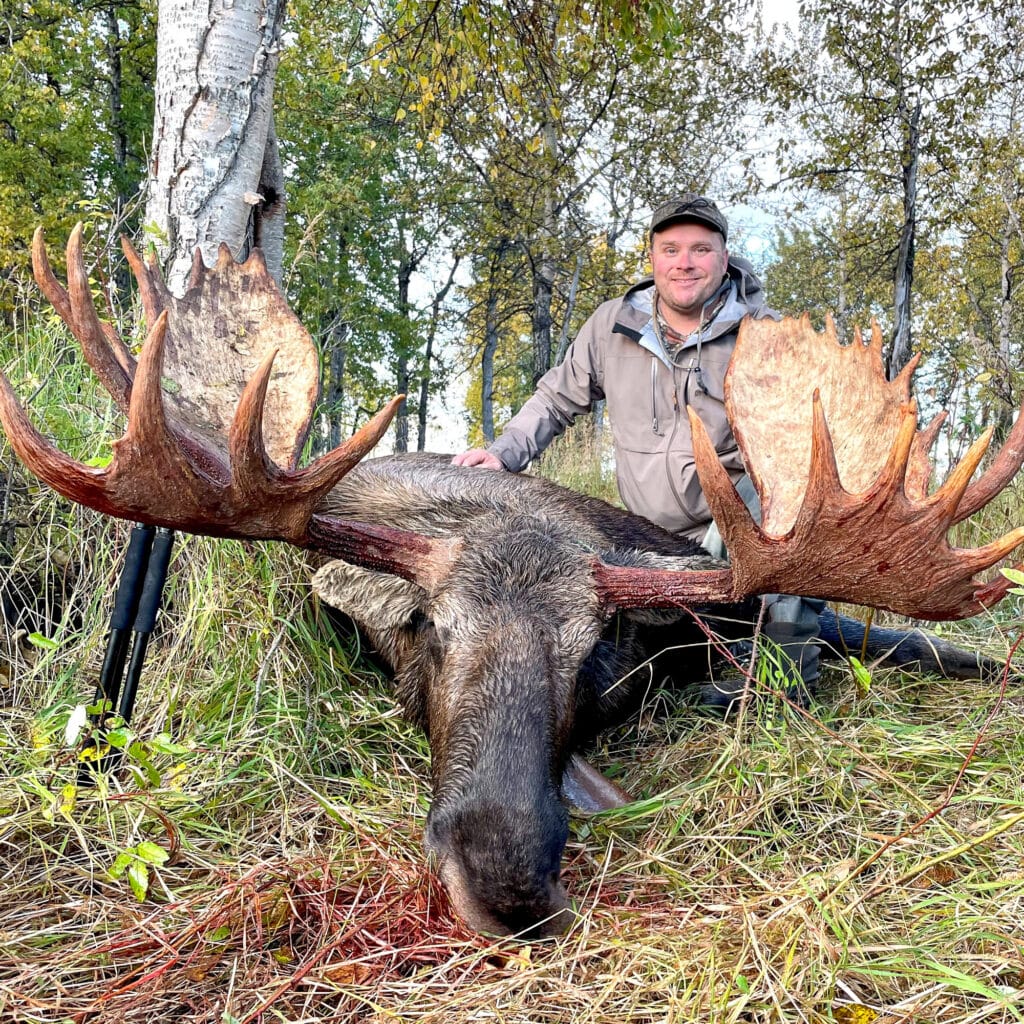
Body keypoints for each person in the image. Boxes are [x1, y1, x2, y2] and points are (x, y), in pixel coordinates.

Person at [453, 194, 823, 708]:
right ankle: (721, 651)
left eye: (700, 249)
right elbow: (556, 399)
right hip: (648, 536)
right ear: (652, 257)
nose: (684, 263)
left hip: (734, 526)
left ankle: (787, 681)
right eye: (670, 249)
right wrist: (503, 454)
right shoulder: (612, 325)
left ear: (724, 256)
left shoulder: (768, 334)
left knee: (790, 503)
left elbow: (806, 441)